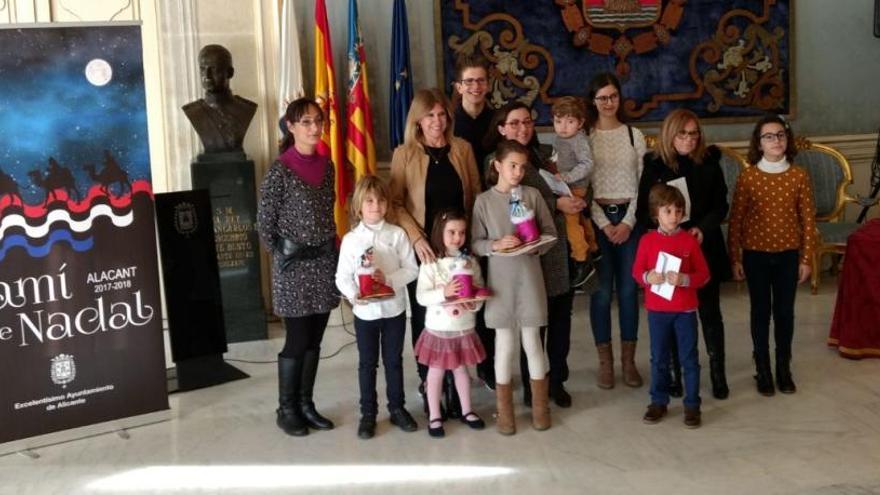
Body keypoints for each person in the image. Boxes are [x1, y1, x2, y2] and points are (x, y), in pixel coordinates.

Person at [483, 101, 586, 409]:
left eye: (527, 122)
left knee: (559, 319)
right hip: (525, 256)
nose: (522, 128)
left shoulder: (544, 155)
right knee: (533, 324)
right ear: (501, 128)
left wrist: (575, 200)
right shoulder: (496, 161)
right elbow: (506, 203)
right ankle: (533, 384)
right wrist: (557, 205)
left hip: (556, 249)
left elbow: (571, 183)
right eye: (514, 123)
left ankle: (556, 380)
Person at [388, 88, 482, 419]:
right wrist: (416, 238)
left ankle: (458, 388)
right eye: (430, 115)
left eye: (442, 115)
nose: (437, 122)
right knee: (428, 316)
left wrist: (468, 238)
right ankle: (429, 382)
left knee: (459, 314)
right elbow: (396, 203)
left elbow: (475, 196)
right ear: (418, 119)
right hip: (425, 251)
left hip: (459, 246)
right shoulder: (404, 155)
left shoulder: (463, 149)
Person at [635, 109, 733, 400]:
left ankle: (717, 373)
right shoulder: (655, 166)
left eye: (694, 133)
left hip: (704, 244)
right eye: (683, 133)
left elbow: (721, 205)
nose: (690, 139)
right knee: (675, 312)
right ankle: (677, 375)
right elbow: (644, 211)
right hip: (669, 250)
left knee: (710, 313)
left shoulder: (709, 162)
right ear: (670, 134)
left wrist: (702, 228)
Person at [257, 98, 337, 437]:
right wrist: (285, 255)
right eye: (306, 122)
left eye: (318, 120)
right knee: (297, 339)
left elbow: (329, 209)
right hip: (293, 268)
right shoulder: (280, 170)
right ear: (290, 127)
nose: (315, 128)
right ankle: (286, 408)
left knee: (316, 339)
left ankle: (306, 404)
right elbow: (264, 224)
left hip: (323, 263)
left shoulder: (327, 165)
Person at [472, 139, 557, 435]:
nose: (518, 172)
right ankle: (505, 410)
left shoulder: (532, 195)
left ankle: (540, 407)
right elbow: (475, 243)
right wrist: (495, 244)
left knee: (534, 343)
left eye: (522, 167)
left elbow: (550, 233)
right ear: (497, 166)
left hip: (530, 278)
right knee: (504, 346)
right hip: (500, 281)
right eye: (512, 166)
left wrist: (536, 246)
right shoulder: (483, 201)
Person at [728, 114, 817, 396]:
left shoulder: (798, 175)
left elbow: (808, 221)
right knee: (760, 312)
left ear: (787, 139)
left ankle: (783, 367)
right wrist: (736, 257)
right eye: (769, 136)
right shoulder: (749, 176)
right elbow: (737, 220)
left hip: (789, 255)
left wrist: (806, 259)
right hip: (755, 255)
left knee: (784, 313)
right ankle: (762, 367)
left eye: (780, 135)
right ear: (759, 142)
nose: (775, 140)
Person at [335, 175, 419, 440]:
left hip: (393, 310)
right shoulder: (350, 240)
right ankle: (368, 414)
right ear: (358, 206)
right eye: (369, 201)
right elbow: (342, 276)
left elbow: (412, 269)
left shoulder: (397, 234)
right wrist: (353, 295)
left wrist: (388, 281)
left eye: (381, 200)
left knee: (394, 361)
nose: (376, 206)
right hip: (365, 313)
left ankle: (397, 408)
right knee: (367, 364)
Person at [586, 72, 646, 390]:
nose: (609, 103)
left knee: (627, 291)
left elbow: (641, 184)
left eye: (613, 96)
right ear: (593, 102)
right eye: (602, 98)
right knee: (600, 291)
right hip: (598, 219)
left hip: (629, 219)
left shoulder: (634, 135)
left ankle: (628, 361)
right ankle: (605, 363)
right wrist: (604, 223)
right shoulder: (585, 137)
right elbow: (584, 187)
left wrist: (627, 222)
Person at [632, 184, 710, 428]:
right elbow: (636, 271)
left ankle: (692, 405)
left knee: (689, 358)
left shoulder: (689, 242)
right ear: (656, 213)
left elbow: (704, 274)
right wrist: (648, 278)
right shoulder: (647, 241)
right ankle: (658, 401)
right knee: (659, 358)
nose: (674, 217)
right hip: (657, 311)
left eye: (678, 211)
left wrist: (685, 279)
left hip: (685, 310)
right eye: (668, 211)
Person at [414, 209, 488, 438]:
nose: (457, 237)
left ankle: (467, 410)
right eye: (452, 232)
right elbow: (421, 297)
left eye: (462, 233)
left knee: (462, 370)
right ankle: (435, 415)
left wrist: (474, 303)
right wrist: (443, 293)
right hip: (439, 330)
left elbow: (478, 291)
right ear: (440, 233)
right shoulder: (431, 263)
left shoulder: (471, 262)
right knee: (434, 373)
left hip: (462, 328)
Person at [451, 52, 496, 390]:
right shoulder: (448, 123)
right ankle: (454, 370)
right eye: (469, 81)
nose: (476, 86)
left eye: (481, 80)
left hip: (493, 217)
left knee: (489, 290)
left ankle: (489, 365)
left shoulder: (499, 120)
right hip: (459, 217)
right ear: (458, 86)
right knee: (460, 292)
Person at [550, 96, 598, 288]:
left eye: (570, 121)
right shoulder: (560, 138)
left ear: (580, 123)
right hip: (566, 185)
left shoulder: (578, 139)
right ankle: (593, 247)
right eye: (558, 121)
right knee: (582, 220)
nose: (563, 126)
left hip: (576, 187)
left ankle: (580, 258)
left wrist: (568, 177)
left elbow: (588, 163)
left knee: (570, 222)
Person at [182, 44, 257, 154]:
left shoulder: (246, 108)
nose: (207, 76)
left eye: (214, 69)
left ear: (230, 73)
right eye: (202, 69)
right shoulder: (193, 111)